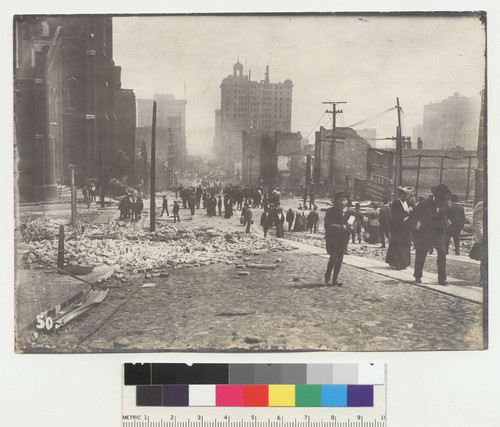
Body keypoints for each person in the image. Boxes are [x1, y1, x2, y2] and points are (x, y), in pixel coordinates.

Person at [412, 184, 451, 285]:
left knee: (442, 252)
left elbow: (446, 216)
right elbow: (416, 215)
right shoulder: (425, 203)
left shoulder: (445, 204)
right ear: (435, 195)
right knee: (421, 253)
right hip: (426, 231)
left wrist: (446, 223)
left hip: (439, 233)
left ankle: (442, 278)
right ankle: (417, 275)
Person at [324, 191, 351, 286]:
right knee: (334, 258)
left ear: (347, 201)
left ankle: (335, 280)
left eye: (344, 200)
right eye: (339, 200)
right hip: (332, 238)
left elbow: (353, 224)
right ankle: (327, 275)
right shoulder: (331, 211)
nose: (341, 202)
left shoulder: (350, 212)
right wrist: (341, 227)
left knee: (340, 260)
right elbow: (327, 225)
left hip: (343, 239)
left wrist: (351, 228)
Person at [386, 187, 412, 270]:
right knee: (397, 245)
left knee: (405, 245)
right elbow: (395, 217)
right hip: (397, 227)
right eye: (404, 195)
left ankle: (404, 263)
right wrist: (406, 213)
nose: (405, 197)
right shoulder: (395, 204)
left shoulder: (408, 203)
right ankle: (398, 264)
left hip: (405, 227)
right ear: (399, 196)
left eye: (406, 195)